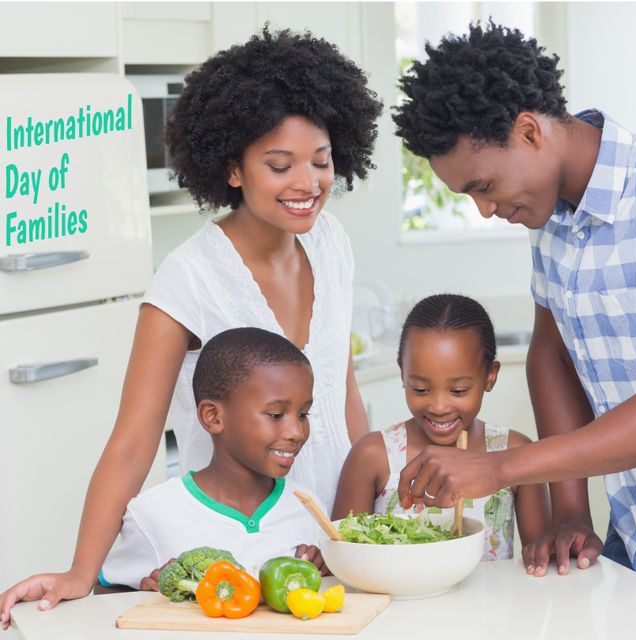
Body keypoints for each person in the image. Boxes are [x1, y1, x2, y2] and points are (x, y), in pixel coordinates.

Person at [0, 26, 382, 628]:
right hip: (241, 547)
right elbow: (132, 442)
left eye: (321, 160)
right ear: (232, 169)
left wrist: (365, 518)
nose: (307, 184)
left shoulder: (332, 244)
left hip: (334, 535)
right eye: (280, 165)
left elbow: (342, 391)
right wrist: (81, 571)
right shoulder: (188, 280)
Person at [392, 21, 636, 575]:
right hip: (630, 529)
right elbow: (552, 354)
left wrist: (503, 468)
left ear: (529, 131)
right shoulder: (549, 218)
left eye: (483, 186)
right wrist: (571, 509)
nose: (484, 210)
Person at [100, 327, 327, 590]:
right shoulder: (153, 513)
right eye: (276, 415)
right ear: (213, 417)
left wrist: (326, 567)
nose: (296, 432)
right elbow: (106, 593)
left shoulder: (308, 506)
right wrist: (150, 593)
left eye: (303, 414)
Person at [332, 294, 550, 561]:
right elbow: (341, 556)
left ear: (490, 376)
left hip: (491, 604)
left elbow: (541, 563)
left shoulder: (515, 453)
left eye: (458, 390)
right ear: (403, 373)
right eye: (420, 389)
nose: (438, 406)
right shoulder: (372, 456)